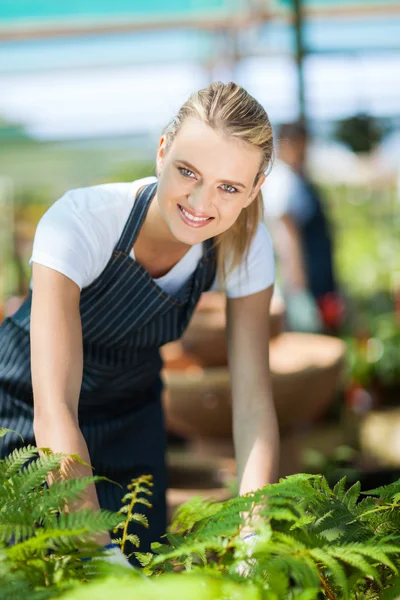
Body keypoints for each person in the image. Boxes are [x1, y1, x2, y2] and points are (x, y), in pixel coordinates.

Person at [0, 82, 278, 567]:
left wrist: (254, 529)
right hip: (25, 417)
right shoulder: (79, 224)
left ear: (254, 190)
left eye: (229, 187)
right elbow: (55, 410)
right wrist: (99, 550)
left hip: (132, 424)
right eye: (188, 172)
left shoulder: (247, 245)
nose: (200, 201)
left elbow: (253, 402)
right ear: (162, 152)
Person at [262, 122, 343, 334]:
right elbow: (287, 233)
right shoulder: (284, 180)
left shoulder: (296, 177)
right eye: (301, 145)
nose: (305, 151)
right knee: (309, 335)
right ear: (287, 144)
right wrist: (297, 284)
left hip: (315, 271)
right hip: (305, 276)